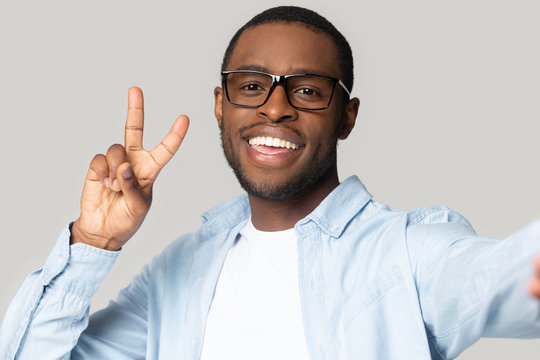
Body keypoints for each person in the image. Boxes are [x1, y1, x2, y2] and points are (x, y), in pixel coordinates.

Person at [2, 5, 540, 359]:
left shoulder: (408, 253)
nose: (275, 108)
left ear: (346, 116)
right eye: (252, 85)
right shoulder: (178, 273)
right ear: (221, 106)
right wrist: (93, 245)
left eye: (305, 90)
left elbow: (498, 279)